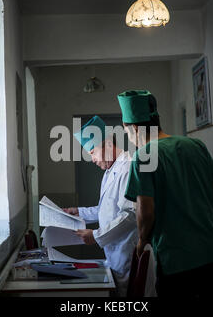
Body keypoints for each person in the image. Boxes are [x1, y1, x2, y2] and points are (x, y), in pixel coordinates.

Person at [117, 90, 213, 297]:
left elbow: (146, 210)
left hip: (178, 260)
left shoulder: (144, 157)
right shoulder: (195, 145)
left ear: (134, 128)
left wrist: (142, 240)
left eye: (126, 132)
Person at [63, 115, 138, 297]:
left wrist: (96, 236)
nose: (92, 159)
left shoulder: (127, 168)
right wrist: (78, 212)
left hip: (125, 252)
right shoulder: (110, 169)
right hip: (113, 253)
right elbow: (104, 209)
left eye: (92, 152)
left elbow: (130, 215)